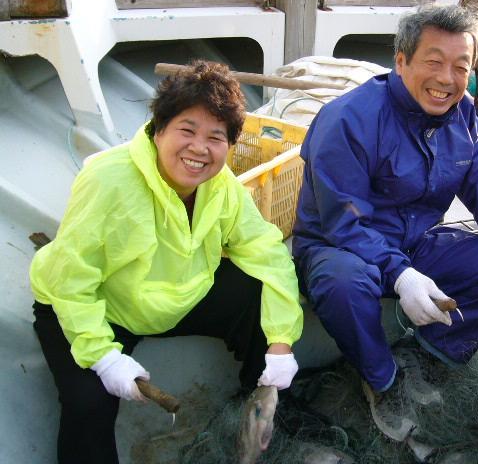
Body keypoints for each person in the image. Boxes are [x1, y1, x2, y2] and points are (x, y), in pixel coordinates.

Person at [292, 5, 478, 442]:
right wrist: (401, 275)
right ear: (401, 60)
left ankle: (427, 356)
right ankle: (383, 382)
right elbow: (346, 222)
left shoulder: (465, 116)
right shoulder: (347, 120)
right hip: (338, 248)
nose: (447, 79)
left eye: (460, 67)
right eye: (433, 61)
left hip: (415, 245)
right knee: (343, 283)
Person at [30, 60, 303, 464]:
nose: (199, 149)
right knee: (87, 406)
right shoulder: (107, 180)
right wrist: (103, 357)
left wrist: (281, 346)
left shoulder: (222, 186)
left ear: (229, 146)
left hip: (175, 291)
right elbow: (72, 280)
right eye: (187, 130)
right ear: (158, 130)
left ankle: (256, 417)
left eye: (215, 137)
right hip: (95, 307)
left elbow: (268, 252)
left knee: (261, 293)